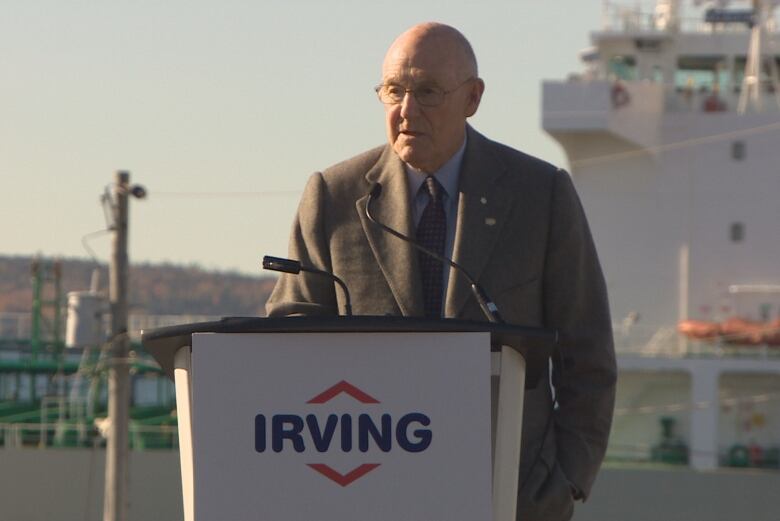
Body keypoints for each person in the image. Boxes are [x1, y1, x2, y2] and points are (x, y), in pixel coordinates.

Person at [266, 22, 616, 521]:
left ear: (472, 98)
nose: (406, 111)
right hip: (364, 491)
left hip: (508, 495)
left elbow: (588, 356)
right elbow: (287, 341)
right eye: (393, 91)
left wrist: (566, 481)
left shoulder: (541, 195)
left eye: (427, 92)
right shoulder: (335, 198)